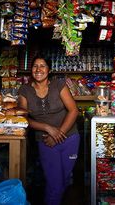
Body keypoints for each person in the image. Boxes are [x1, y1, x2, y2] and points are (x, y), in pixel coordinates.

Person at [18, 54, 80, 205]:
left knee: (64, 179)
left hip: (70, 139)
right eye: (35, 66)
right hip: (46, 142)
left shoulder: (59, 85)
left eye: (42, 66)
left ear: (49, 70)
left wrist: (58, 134)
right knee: (55, 184)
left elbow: (74, 111)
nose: (38, 69)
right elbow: (23, 118)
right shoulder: (25, 90)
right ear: (31, 70)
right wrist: (47, 128)